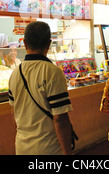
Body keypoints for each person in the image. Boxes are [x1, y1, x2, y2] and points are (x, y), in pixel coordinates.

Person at [8, 21, 74, 155]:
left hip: (21, 147)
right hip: (49, 148)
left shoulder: (14, 74)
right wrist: (67, 152)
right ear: (49, 44)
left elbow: (14, 114)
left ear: (25, 43)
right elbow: (60, 119)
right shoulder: (53, 72)